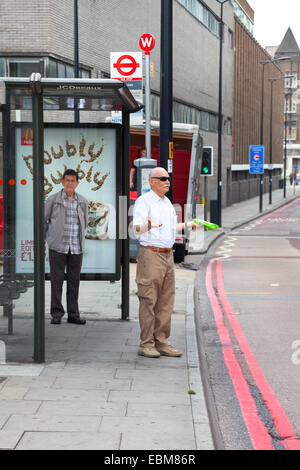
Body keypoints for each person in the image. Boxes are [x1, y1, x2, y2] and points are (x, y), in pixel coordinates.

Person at [132, 166, 199, 358]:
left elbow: (169, 228)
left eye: (168, 178)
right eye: (162, 178)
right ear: (151, 181)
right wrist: (147, 225)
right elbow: (136, 229)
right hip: (151, 254)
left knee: (165, 302)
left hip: (167, 255)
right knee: (148, 300)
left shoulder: (167, 203)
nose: (166, 181)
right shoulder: (144, 202)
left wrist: (187, 225)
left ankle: (162, 342)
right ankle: (146, 344)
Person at [44, 169, 88, 325]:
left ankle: (73, 314)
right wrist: (45, 241)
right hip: (58, 247)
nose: (70, 183)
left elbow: (85, 222)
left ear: (77, 183)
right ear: (62, 182)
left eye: (73, 180)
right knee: (56, 281)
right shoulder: (53, 200)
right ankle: (56, 314)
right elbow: (44, 220)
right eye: (67, 180)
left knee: (74, 282)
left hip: (76, 247)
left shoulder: (82, 201)